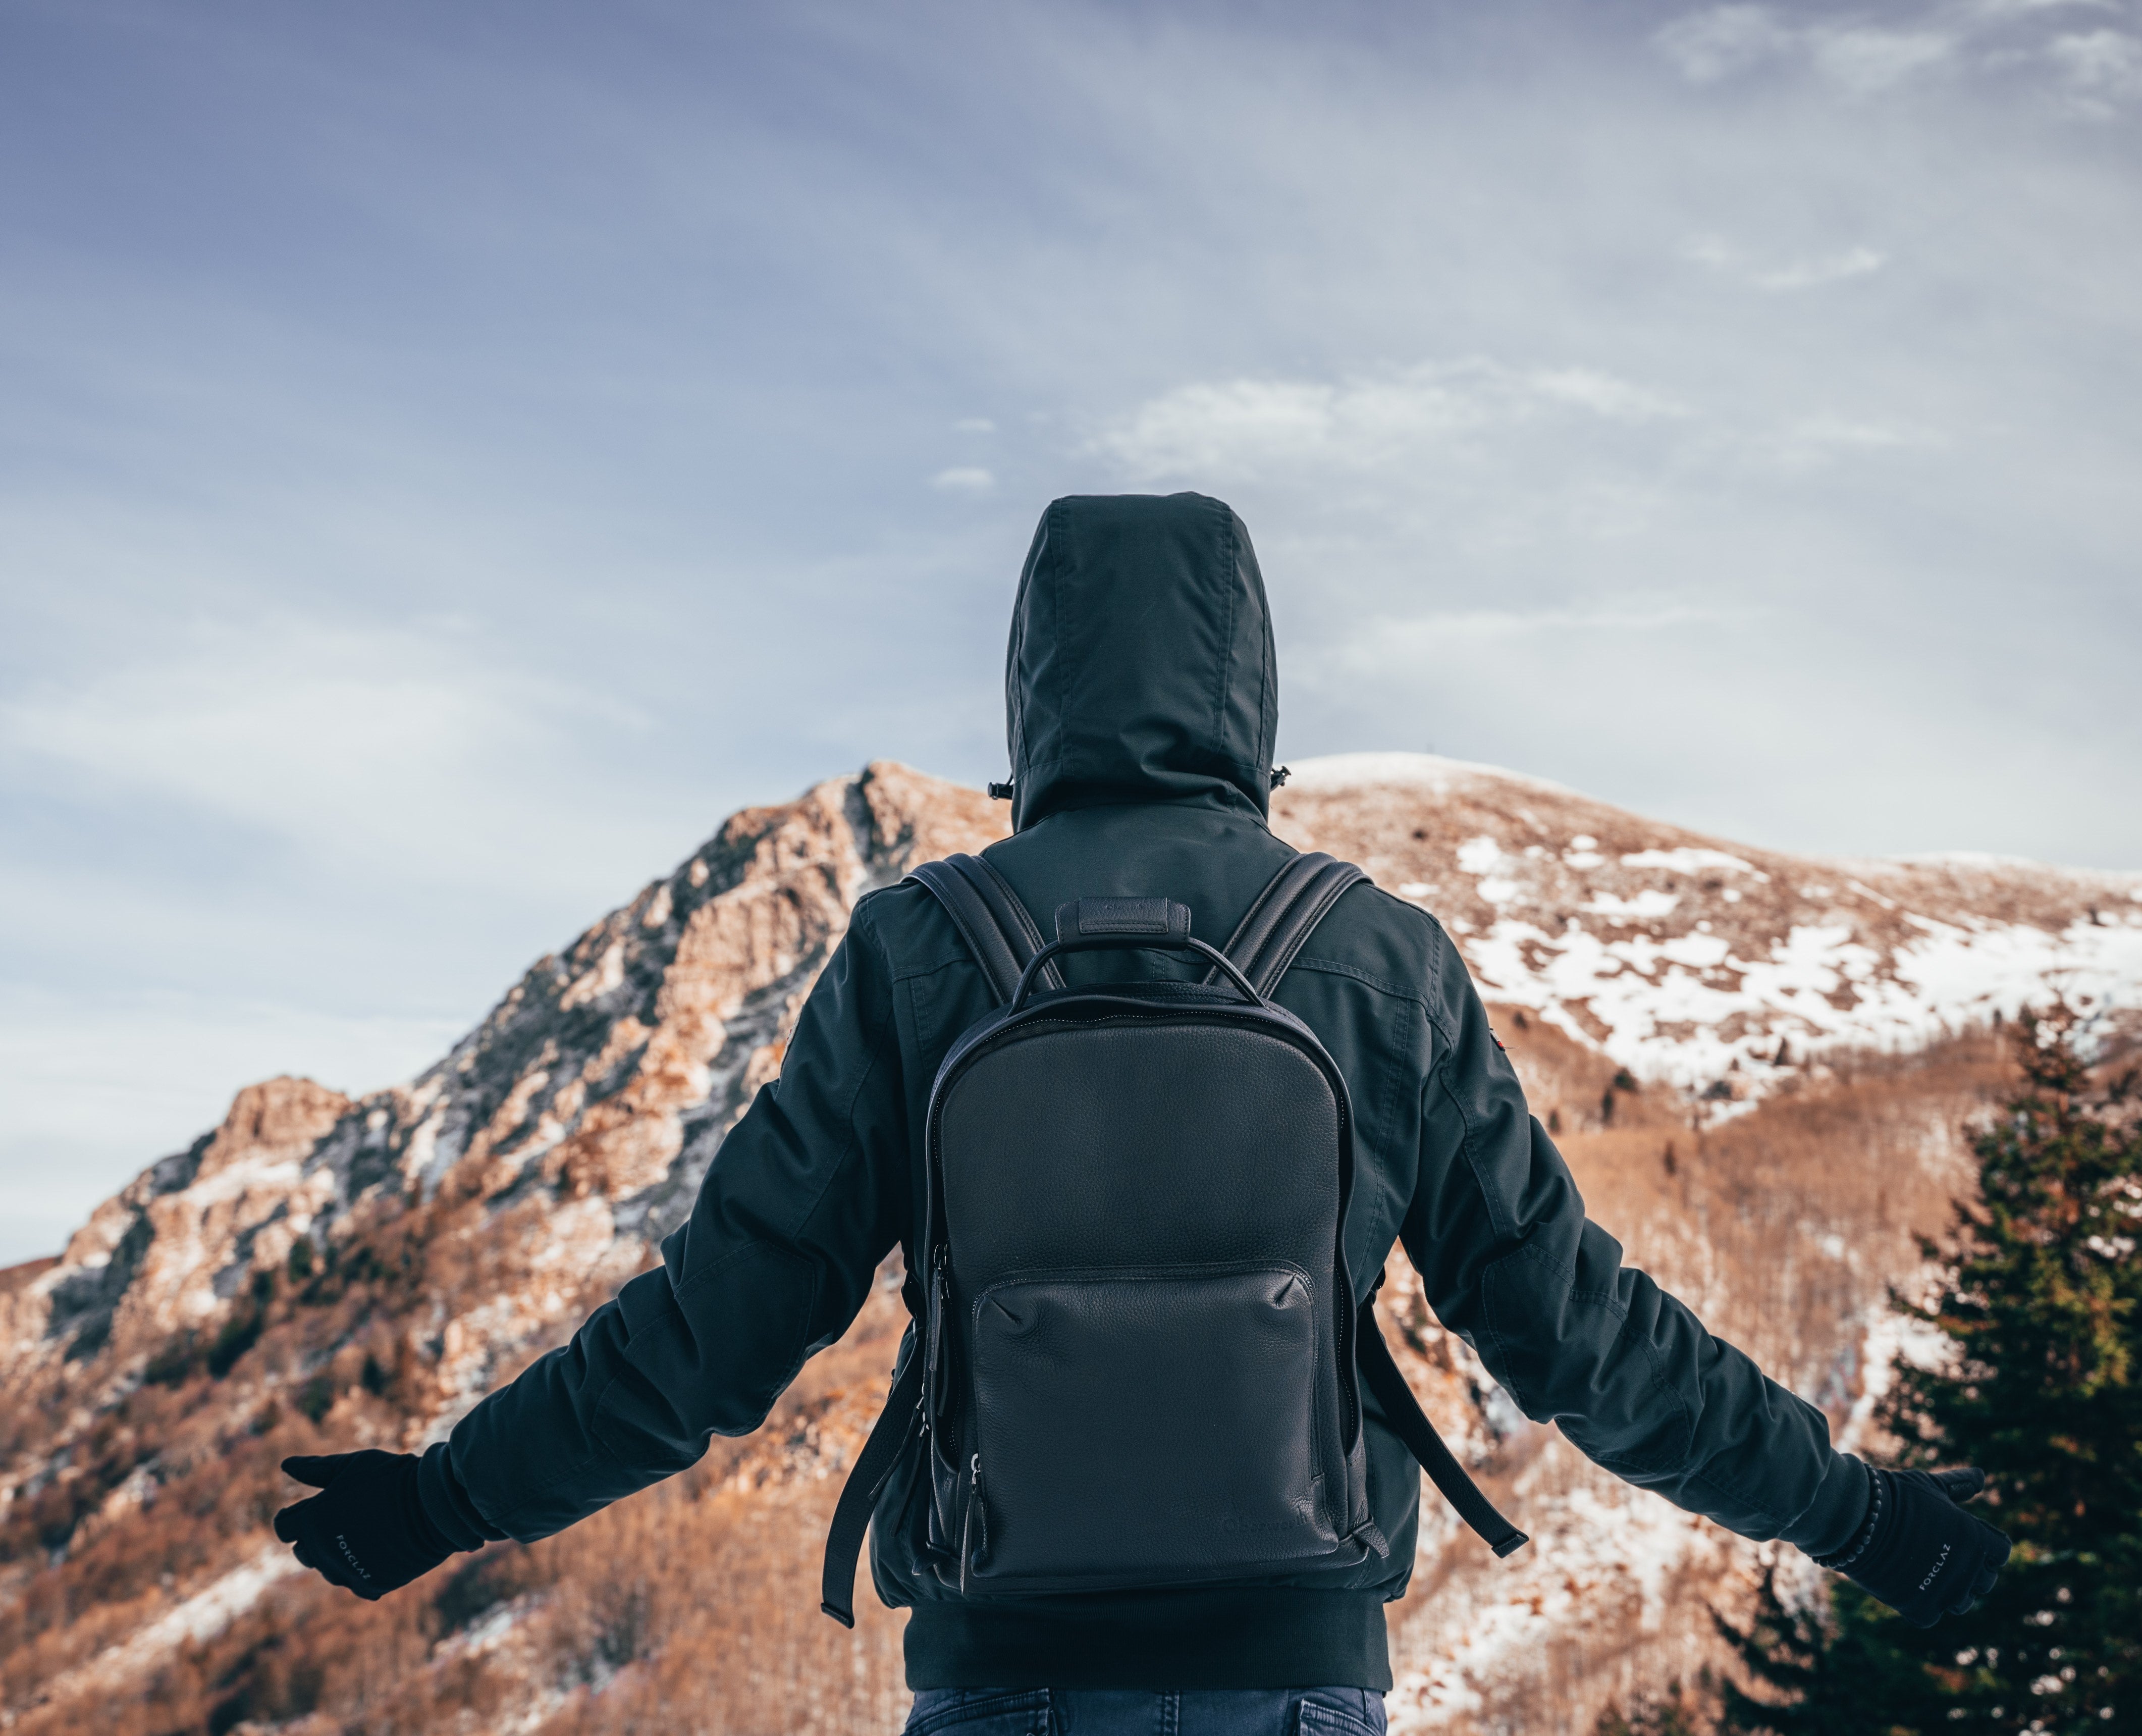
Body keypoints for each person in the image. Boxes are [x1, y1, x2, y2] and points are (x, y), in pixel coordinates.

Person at [276, 491, 2007, 1733]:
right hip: (1298, 1660)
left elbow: (706, 1341)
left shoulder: (917, 952)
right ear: (1251, 690)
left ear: (1032, 687)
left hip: (1002, 1669)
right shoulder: (1374, 959)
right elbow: (1589, 1342)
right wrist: (1858, 1515)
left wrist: (442, 1500)